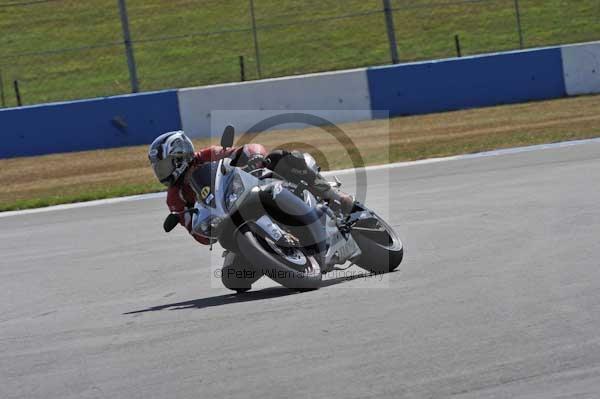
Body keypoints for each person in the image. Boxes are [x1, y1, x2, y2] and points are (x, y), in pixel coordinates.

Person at [148, 130, 354, 245]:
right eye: (158, 168)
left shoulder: (206, 156)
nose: (162, 173)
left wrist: (254, 156)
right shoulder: (175, 197)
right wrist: (203, 229)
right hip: (229, 221)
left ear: (180, 156)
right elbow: (197, 233)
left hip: (249, 189)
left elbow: (240, 150)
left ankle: (334, 195)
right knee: (234, 279)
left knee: (279, 158)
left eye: (164, 165)